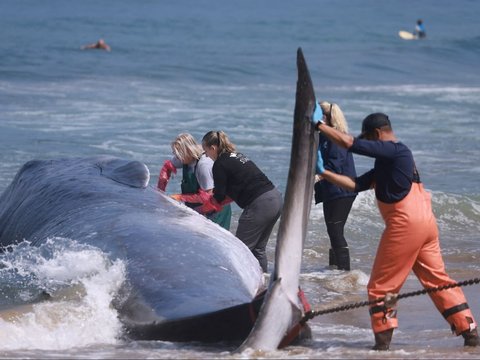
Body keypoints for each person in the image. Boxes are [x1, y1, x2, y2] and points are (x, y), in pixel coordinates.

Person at [311, 110, 479, 350]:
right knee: (437, 280)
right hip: (426, 224)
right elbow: (356, 184)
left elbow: (350, 143)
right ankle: (469, 331)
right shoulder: (389, 163)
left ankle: (382, 344)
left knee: (380, 287)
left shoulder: (396, 150)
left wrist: (319, 125)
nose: (368, 146)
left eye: (369, 140)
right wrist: (324, 173)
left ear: (377, 134)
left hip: (406, 224)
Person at [200, 130, 283, 273]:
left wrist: (206, 207)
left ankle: (237, 288)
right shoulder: (237, 155)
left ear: (213, 148)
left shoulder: (219, 164)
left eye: (206, 151)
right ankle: (263, 287)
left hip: (260, 204)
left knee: (239, 250)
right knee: (258, 249)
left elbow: (219, 195)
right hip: (276, 198)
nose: (206, 155)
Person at [157, 133, 232, 230]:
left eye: (179, 154)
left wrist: (179, 197)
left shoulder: (203, 165)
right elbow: (167, 167)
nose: (177, 157)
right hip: (196, 208)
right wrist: (160, 192)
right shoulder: (184, 158)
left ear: (188, 151)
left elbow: (208, 196)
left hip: (216, 209)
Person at [314, 101, 357, 271]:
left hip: (343, 191)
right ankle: (334, 270)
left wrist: (317, 176)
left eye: (319, 116)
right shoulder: (324, 136)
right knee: (332, 230)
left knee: (335, 230)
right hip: (330, 191)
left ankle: (344, 273)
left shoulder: (337, 137)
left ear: (326, 117)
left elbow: (335, 165)